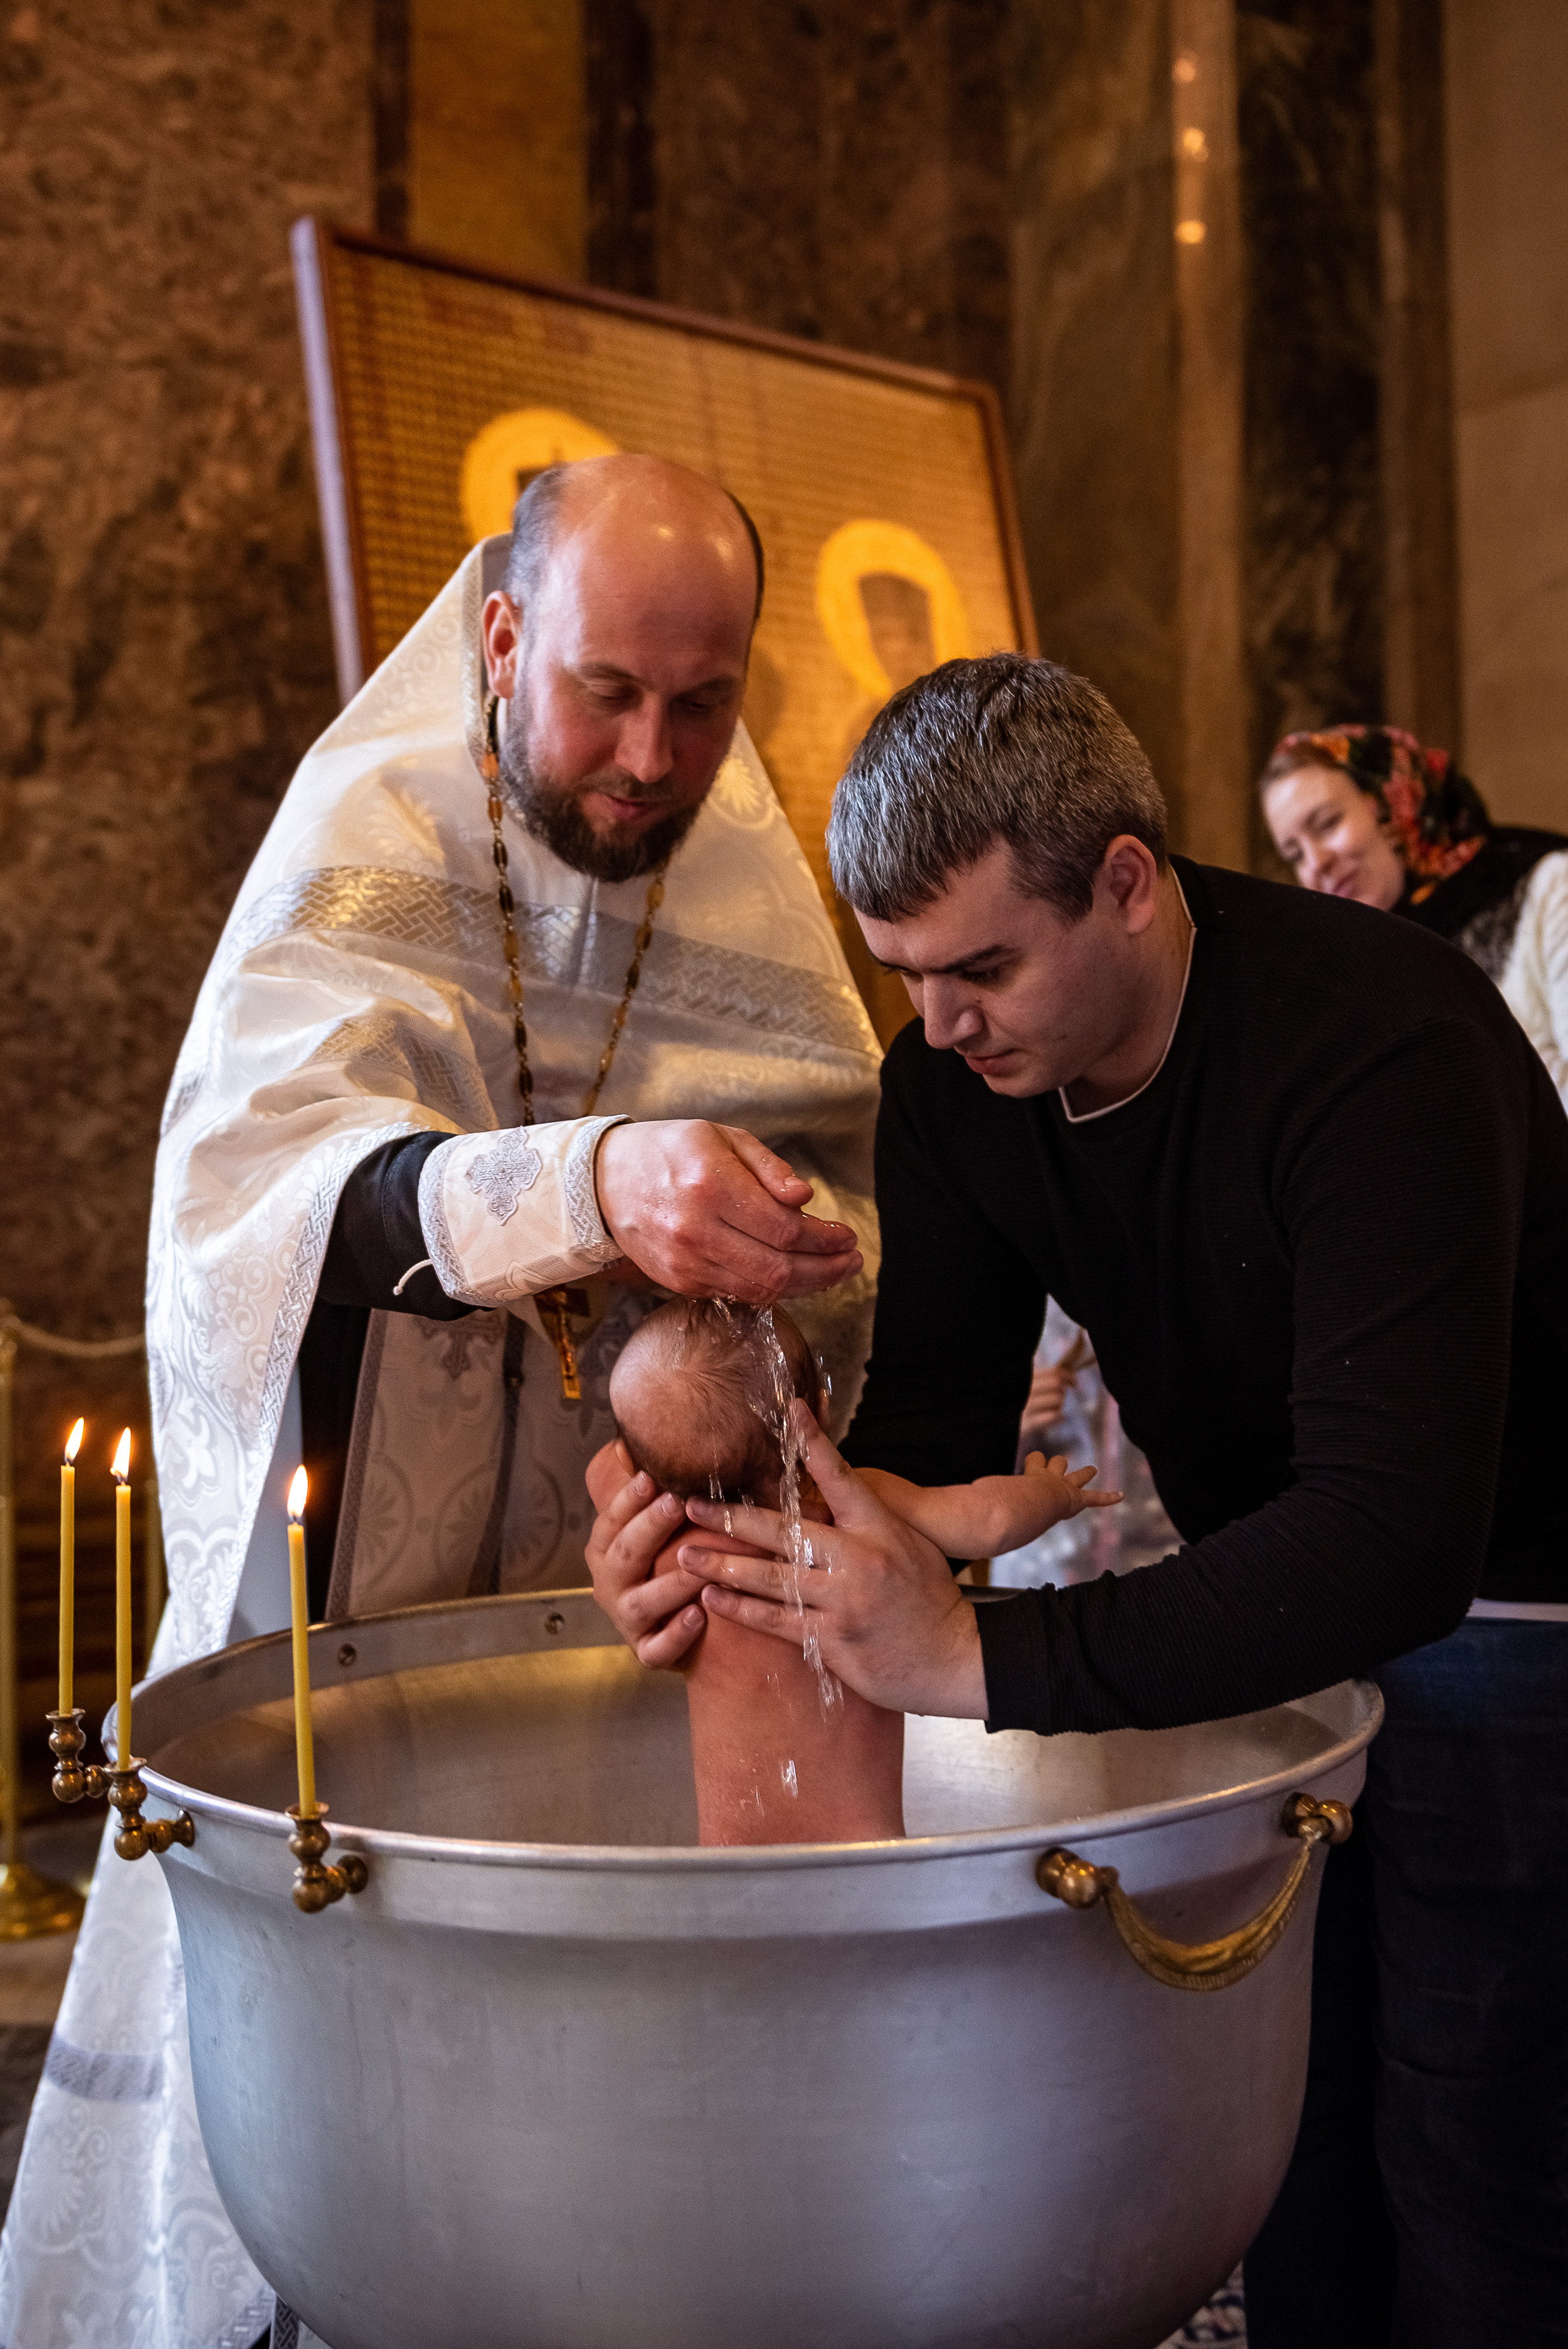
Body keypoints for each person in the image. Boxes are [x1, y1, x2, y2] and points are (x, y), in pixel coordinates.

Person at [0, 455, 884, 2349]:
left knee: (618, 2211)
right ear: (501, 637)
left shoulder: (745, 874)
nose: (655, 755)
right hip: (358, 1608)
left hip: (628, 1621)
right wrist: (589, 1189)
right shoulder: (371, 821)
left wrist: (729, 1316)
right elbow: (259, 1207)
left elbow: (852, 1229)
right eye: (604, 691)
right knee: (326, 2182)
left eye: (704, 699)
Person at [588, 655, 1568, 2349]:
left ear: (1125, 880)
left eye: (982, 966)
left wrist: (977, 1663)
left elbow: (1398, 1539)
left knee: (1475, 2138)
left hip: (1514, 1596)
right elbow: (933, 1441)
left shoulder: (1379, 1037)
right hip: (1287, 1593)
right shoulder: (952, 1090)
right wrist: (732, 1541)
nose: (945, 1023)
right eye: (906, 978)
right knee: (1297, 2131)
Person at [605, 1297, 1115, 1845]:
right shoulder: (849, 1506)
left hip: (729, 1857)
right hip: (862, 1852)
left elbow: (607, 1467)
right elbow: (988, 1523)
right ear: (820, 1412)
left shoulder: (669, 1551)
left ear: (634, 1467)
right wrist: (1051, 1491)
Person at [1260, 723, 1568, 1103]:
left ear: (1394, 804)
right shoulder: (1354, 969)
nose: (1316, 863)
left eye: (1327, 824)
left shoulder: (1550, 888)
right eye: (1294, 856)